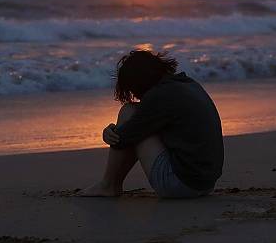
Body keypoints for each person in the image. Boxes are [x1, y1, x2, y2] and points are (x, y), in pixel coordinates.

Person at [81, 50, 224, 198]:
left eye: (132, 90)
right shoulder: (187, 84)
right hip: (206, 184)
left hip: (181, 185)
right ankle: (110, 185)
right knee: (137, 120)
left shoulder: (160, 95)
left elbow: (122, 139)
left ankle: (109, 185)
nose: (135, 95)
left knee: (128, 111)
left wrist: (107, 133)